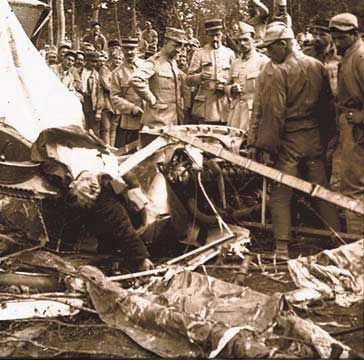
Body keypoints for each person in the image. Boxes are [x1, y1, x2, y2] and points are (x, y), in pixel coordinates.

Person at [248, 22, 341, 258]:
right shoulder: (317, 66)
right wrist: (325, 138)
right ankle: (338, 242)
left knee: (281, 192)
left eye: (271, 48)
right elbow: (328, 108)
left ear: (283, 44)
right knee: (321, 191)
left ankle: (281, 247)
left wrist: (265, 147)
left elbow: (274, 115)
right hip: (314, 139)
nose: (268, 53)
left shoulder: (280, 71)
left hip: (289, 140)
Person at [66, 170, 154, 272]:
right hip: (111, 224)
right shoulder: (83, 184)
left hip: (138, 225)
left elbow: (124, 228)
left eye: (85, 203)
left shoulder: (108, 205)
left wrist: (141, 258)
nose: (85, 205)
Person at [329, 13, 364, 235]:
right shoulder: (350, 56)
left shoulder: (360, 57)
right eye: (335, 38)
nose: (337, 43)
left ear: (355, 34)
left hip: (358, 128)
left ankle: (356, 245)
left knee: (353, 189)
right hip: (351, 128)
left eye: (342, 38)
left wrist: (362, 117)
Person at [130, 27, 186, 146]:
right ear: (165, 42)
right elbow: (135, 79)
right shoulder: (154, 62)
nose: (178, 50)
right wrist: (152, 99)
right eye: (175, 45)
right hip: (156, 123)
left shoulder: (173, 62)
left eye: (181, 46)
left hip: (173, 122)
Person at [187, 19, 235, 125]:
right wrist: (200, 77)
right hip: (205, 106)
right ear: (207, 35)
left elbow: (235, 78)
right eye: (211, 35)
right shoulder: (199, 53)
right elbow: (189, 80)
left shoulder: (229, 53)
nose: (214, 39)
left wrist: (227, 87)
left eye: (217, 35)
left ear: (222, 34)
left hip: (225, 105)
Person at [224, 22, 269, 130]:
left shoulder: (263, 62)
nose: (242, 43)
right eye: (239, 41)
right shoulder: (235, 63)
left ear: (253, 39)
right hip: (235, 113)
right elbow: (226, 85)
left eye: (245, 40)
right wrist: (231, 89)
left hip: (254, 113)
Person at [111, 37, 145, 148]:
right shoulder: (117, 72)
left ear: (137, 49)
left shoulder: (146, 66)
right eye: (126, 49)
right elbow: (115, 97)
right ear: (122, 50)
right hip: (130, 122)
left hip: (150, 118)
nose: (129, 52)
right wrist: (132, 108)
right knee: (128, 152)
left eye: (132, 49)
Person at [304, 18, 340, 96]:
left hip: (333, 100)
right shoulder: (306, 54)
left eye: (322, 35)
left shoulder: (339, 55)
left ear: (331, 35)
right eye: (315, 34)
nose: (317, 38)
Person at [96, 51, 123, 147]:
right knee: (105, 128)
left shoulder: (121, 71)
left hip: (118, 102)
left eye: (120, 59)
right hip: (106, 101)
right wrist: (118, 90)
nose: (117, 61)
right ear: (111, 59)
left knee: (114, 128)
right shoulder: (105, 69)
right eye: (115, 58)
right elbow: (106, 85)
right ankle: (106, 147)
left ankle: (111, 147)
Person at [78, 52, 100, 137]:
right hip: (78, 97)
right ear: (86, 61)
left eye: (95, 62)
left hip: (89, 100)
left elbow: (98, 92)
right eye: (92, 61)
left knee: (90, 125)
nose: (94, 64)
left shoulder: (96, 75)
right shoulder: (77, 71)